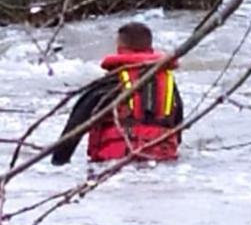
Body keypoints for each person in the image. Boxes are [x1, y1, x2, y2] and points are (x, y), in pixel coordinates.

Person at [51, 22, 184, 164]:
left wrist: (58, 163)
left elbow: (75, 127)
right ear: (150, 49)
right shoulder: (169, 85)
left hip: (116, 164)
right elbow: (177, 130)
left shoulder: (111, 83)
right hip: (162, 162)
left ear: (120, 49)